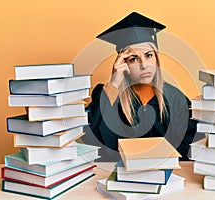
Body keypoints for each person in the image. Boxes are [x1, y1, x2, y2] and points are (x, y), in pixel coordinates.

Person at [82, 12, 200, 161]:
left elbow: (188, 146)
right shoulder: (111, 97)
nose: (144, 65)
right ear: (124, 64)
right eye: (133, 59)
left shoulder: (175, 98)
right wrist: (114, 84)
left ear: (156, 59)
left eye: (148, 55)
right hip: (122, 177)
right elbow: (92, 137)